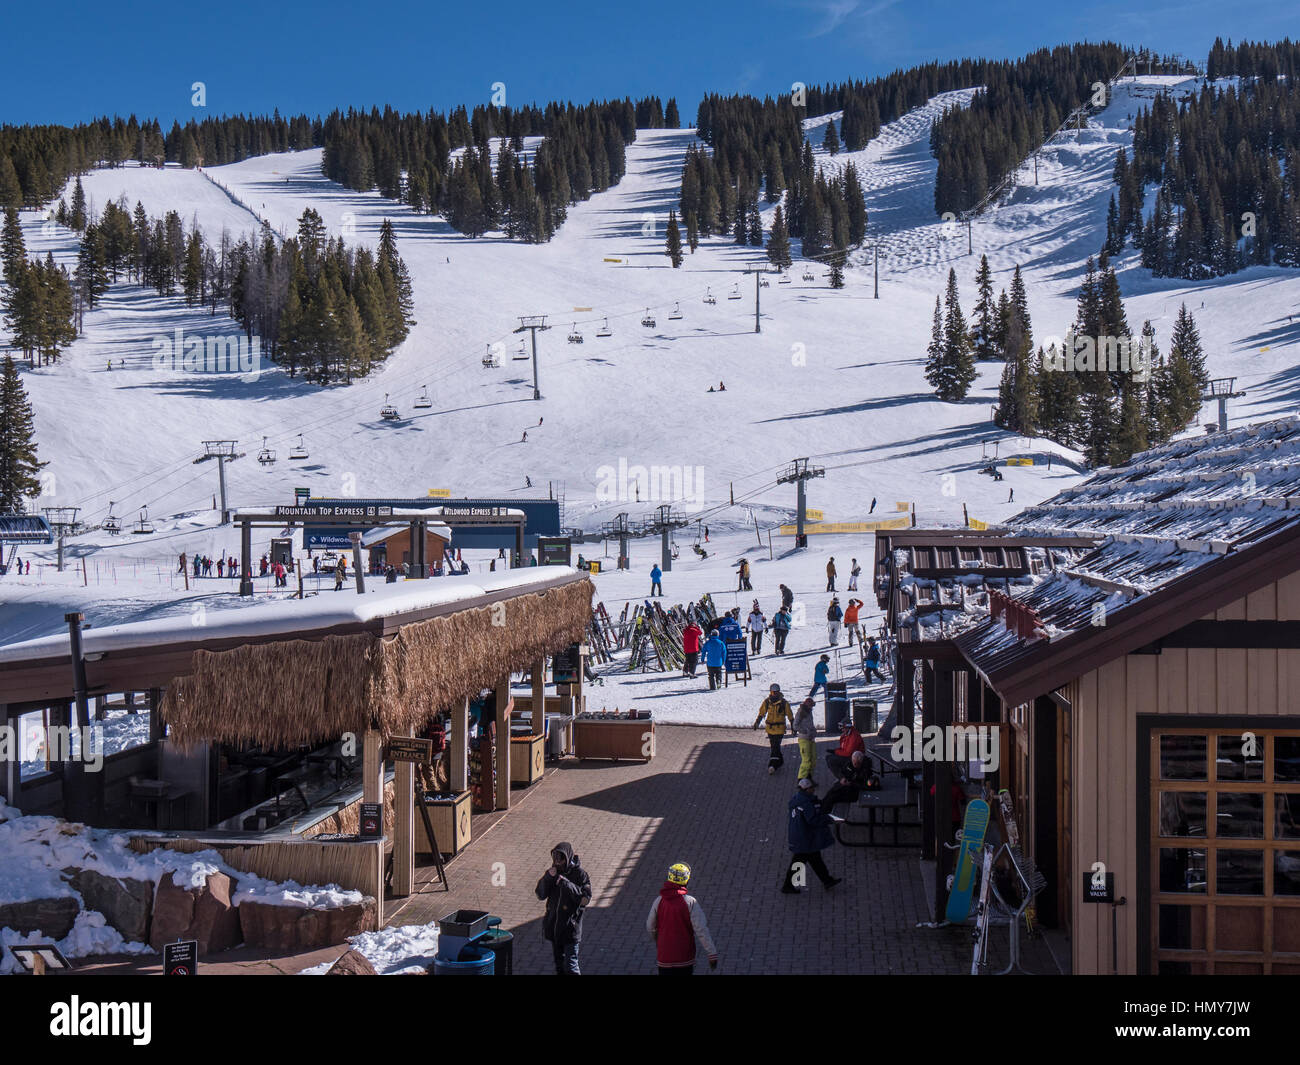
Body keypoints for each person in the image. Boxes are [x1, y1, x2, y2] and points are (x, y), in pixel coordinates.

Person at [646, 863, 718, 975]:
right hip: (684, 958)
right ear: (686, 880)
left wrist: (658, 940)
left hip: (664, 957)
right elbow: (701, 930)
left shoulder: (658, 901)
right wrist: (711, 953)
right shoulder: (690, 902)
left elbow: (650, 926)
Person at [534, 842, 592, 975]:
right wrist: (548, 877)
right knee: (559, 966)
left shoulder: (580, 875)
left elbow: (585, 899)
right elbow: (540, 894)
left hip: (570, 929)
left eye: (561, 860)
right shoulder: (553, 873)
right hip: (555, 929)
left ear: (568, 858)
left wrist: (567, 885)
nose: (558, 863)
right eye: (555, 859)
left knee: (571, 966)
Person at [783, 778, 841, 893]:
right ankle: (788, 886)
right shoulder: (806, 803)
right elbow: (813, 820)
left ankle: (827, 880)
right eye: (812, 788)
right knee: (801, 861)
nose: (814, 789)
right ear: (807, 789)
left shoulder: (798, 799)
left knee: (814, 858)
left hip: (801, 836)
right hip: (804, 838)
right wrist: (829, 819)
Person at [753, 684, 795, 774]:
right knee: (774, 746)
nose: (774, 694)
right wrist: (757, 722)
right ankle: (780, 761)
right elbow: (762, 712)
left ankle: (772, 765)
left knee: (775, 747)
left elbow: (790, 715)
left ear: (779, 692)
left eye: (776, 692)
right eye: (772, 692)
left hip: (779, 729)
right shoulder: (767, 702)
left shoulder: (784, 703)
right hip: (770, 728)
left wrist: (793, 726)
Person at [793, 697, 817, 780]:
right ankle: (801, 779)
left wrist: (813, 731)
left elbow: (810, 724)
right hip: (804, 739)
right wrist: (805, 731)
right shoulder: (801, 713)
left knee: (813, 759)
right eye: (811, 706)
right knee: (806, 760)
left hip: (811, 738)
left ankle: (809, 778)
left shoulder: (809, 712)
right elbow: (795, 725)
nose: (812, 708)